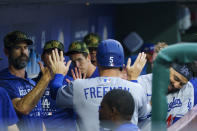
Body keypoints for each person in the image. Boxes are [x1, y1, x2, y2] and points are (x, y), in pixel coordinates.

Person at [54, 39, 148, 131]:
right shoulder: (136, 88)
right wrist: (133, 80)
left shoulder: (79, 86)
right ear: (122, 65)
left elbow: (55, 93)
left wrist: (58, 74)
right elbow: (142, 116)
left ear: (96, 61)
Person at [0, 30, 69, 131]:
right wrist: (46, 77)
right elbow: (22, 108)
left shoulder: (32, 83)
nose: (23, 52)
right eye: (17, 48)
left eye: (25, 48)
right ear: (6, 51)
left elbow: (39, 118)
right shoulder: (3, 81)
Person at [137, 42, 197, 126]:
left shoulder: (187, 88)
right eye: (176, 78)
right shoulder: (140, 84)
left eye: (181, 83)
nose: (176, 85)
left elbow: (181, 124)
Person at [33, 40, 75, 131]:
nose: (54, 56)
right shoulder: (33, 83)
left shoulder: (70, 82)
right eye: (50, 52)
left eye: (59, 53)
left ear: (63, 58)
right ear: (42, 57)